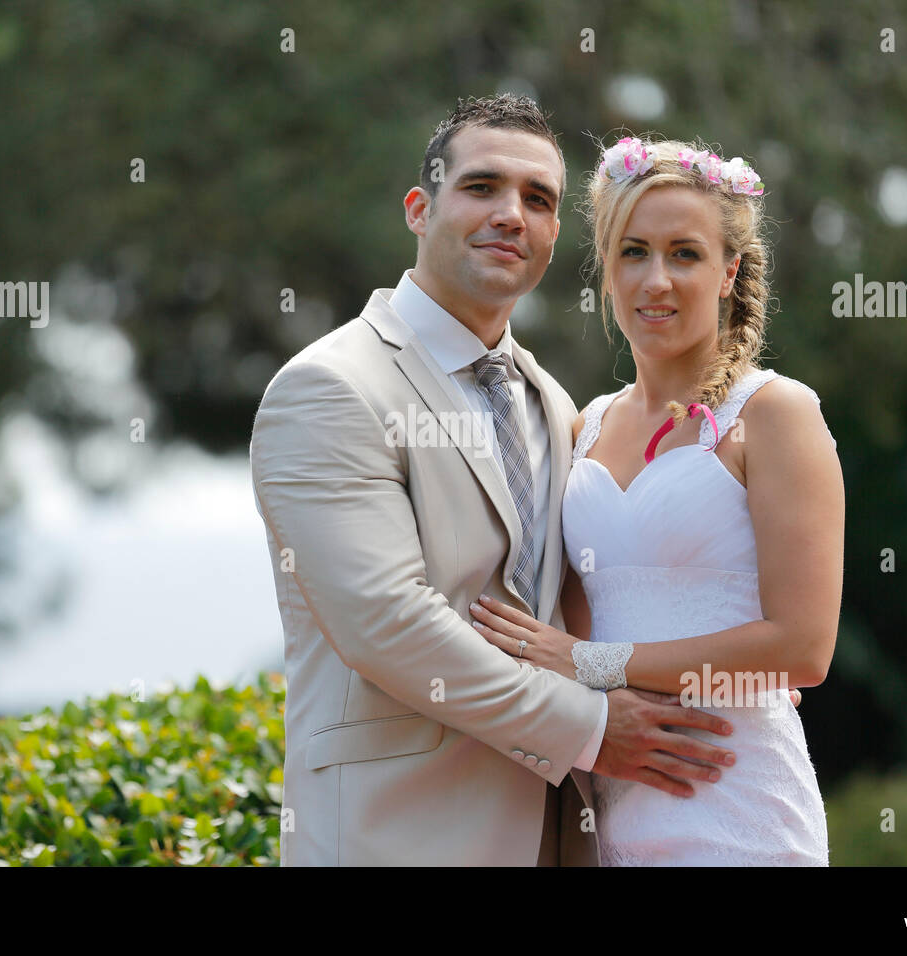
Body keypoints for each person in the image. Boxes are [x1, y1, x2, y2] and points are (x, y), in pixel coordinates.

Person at [249, 97, 782, 866]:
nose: (511, 214)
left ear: (555, 235)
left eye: (537, 200)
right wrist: (597, 730)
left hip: (569, 835)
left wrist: (722, 682)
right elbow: (388, 623)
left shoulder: (557, 407)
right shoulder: (332, 388)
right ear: (418, 209)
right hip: (396, 837)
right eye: (481, 188)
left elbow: (588, 609)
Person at [471, 136, 844, 864]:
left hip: (741, 808)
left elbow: (802, 650)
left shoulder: (774, 415)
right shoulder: (585, 427)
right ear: (606, 269)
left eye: (685, 254)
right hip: (614, 812)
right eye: (634, 252)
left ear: (729, 269)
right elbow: (562, 627)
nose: (656, 280)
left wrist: (593, 663)